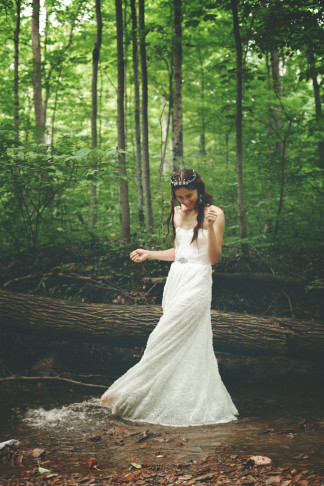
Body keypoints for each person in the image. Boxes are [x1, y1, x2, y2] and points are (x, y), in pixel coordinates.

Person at [100, 168, 238, 426]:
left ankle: (135, 394)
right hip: (177, 278)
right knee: (180, 342)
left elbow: (214, 258)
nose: (185, 201)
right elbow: (178, 252)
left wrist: (207, 227)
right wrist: (149, 253)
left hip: (198, 278)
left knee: (162, 335)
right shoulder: (177, 213)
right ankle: (165, 397)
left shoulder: (214, 213)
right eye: (180, 197)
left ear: (200, 189)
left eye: (190, 195)